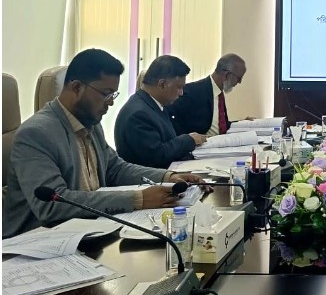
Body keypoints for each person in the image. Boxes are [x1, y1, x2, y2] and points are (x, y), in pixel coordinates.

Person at [3, 49, 202, 238]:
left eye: (113, 94)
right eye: (106, 93)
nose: (111, 102)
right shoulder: (36, 134)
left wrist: (168, 177)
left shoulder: (90, 123)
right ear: (76, 87)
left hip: (86, 228)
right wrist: (138, 199)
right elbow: (52, 205)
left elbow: (115, 168)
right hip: (38, 238)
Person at [115, 55, 206, 169]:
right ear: (162, 84)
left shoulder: (151, 104)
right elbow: (156, 155)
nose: (181, 93)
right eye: (179, 87)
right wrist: (188, 140)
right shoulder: (139, 114)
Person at [168, 53, 248, 136]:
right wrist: (188, 139)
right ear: (226, 75)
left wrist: (242, 123)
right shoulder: (192, 92)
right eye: (239, 78)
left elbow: (219, 125)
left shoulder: (219, 93)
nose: (239, 82)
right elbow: (171, 122)